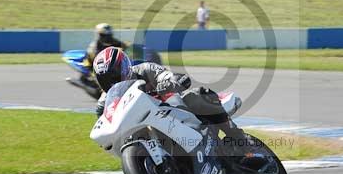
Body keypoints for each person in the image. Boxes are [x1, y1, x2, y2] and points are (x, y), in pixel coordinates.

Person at [92, 46, 248, 151]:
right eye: (106, 80)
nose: (112, 82)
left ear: (125, 66)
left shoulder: (144, 69)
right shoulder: (104, 101)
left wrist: (172, 81)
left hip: (172, 108)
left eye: (114, 74)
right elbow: (104, 119)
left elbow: (164, 75)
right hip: (143, 126)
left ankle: (238, 138)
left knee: (199, 95)